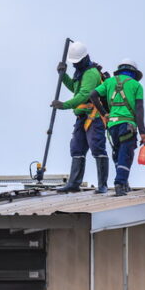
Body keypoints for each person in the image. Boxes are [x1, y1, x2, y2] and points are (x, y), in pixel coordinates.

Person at [51, 41, 109, 193]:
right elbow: (75, 88)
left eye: (77, 62)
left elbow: (84, 95)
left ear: (84, 58)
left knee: (97, 147)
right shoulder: (81, 72)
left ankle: (102, 185)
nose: (75, 65)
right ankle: (74, 184)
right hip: (82, 116)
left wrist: (64, 105)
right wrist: (63, 76)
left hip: (94, 117)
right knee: (77, 148)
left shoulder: (90, 73)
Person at [90, 59, 145, 196]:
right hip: (127, 125)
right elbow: (139, 110)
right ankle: (120, 183)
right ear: (133, 72)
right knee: (125, 154)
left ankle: (123, 183)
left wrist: (104, 113)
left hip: (112, 126)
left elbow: (93, 95)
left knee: (117, 154)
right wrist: (143, 133)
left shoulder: (109, 82)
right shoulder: (136, 86)